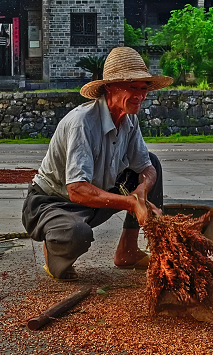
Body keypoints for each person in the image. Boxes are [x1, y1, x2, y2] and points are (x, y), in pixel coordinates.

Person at [22, 46, 174, 280]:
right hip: (53, 203)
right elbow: (76, 189)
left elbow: (146, 167)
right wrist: (132, 204)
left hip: (95, 198)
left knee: (152, 162)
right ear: (110, 87)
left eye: (143, 89)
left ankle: (128, 250)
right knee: (76, 234)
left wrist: (141, 193)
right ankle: (56, 248)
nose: (140, 95)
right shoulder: (82, 123)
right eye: (133, 87)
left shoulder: (129, 120)